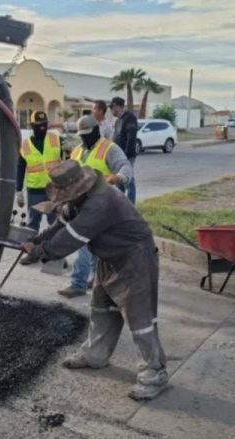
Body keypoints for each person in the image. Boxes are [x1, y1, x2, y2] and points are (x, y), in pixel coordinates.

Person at [23, 160, 168, 400]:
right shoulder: (77, 200)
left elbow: (69, 239)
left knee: (140, 320)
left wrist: (40, 252)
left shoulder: (100, 202)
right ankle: (95, 355)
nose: (61, 198)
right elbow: (61, 226)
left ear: (78, 187)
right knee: (102, 309)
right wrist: (36, 242)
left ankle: (155, 372)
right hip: (110, 257)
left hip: (135, 259)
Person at [57, 114, 133, 298]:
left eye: (87, 134)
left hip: (103, 207)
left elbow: (126, 167)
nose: (84, 137)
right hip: (83, 206)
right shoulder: (77, 151)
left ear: (97, 130)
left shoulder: (109, 148)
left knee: (84, 244)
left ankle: (78, 283)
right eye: (81, 134)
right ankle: (97, 280)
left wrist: (118, 177)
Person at [17, 111, 64, 265]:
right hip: (35, 191)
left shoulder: (56, 139)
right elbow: (20, 168)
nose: (42, 128)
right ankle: (32, 254)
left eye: (45, 125)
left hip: (55, 190)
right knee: (32, 226)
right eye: (38, 126)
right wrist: (18, 191)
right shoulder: (26, 145)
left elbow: (71, 159)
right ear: (32, 126)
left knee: (56, 225)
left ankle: (56, 257)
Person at [110, 97, 139, 204]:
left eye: (112, 108)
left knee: (129, 180)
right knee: (119, 181)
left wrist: (125, 157)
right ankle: (121, 204)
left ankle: (131, 205)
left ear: (117, 107)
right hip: (118, 156)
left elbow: (131, 138)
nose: (111, 110)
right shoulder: (118, 121)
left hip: (127, 156)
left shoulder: (129, 118)